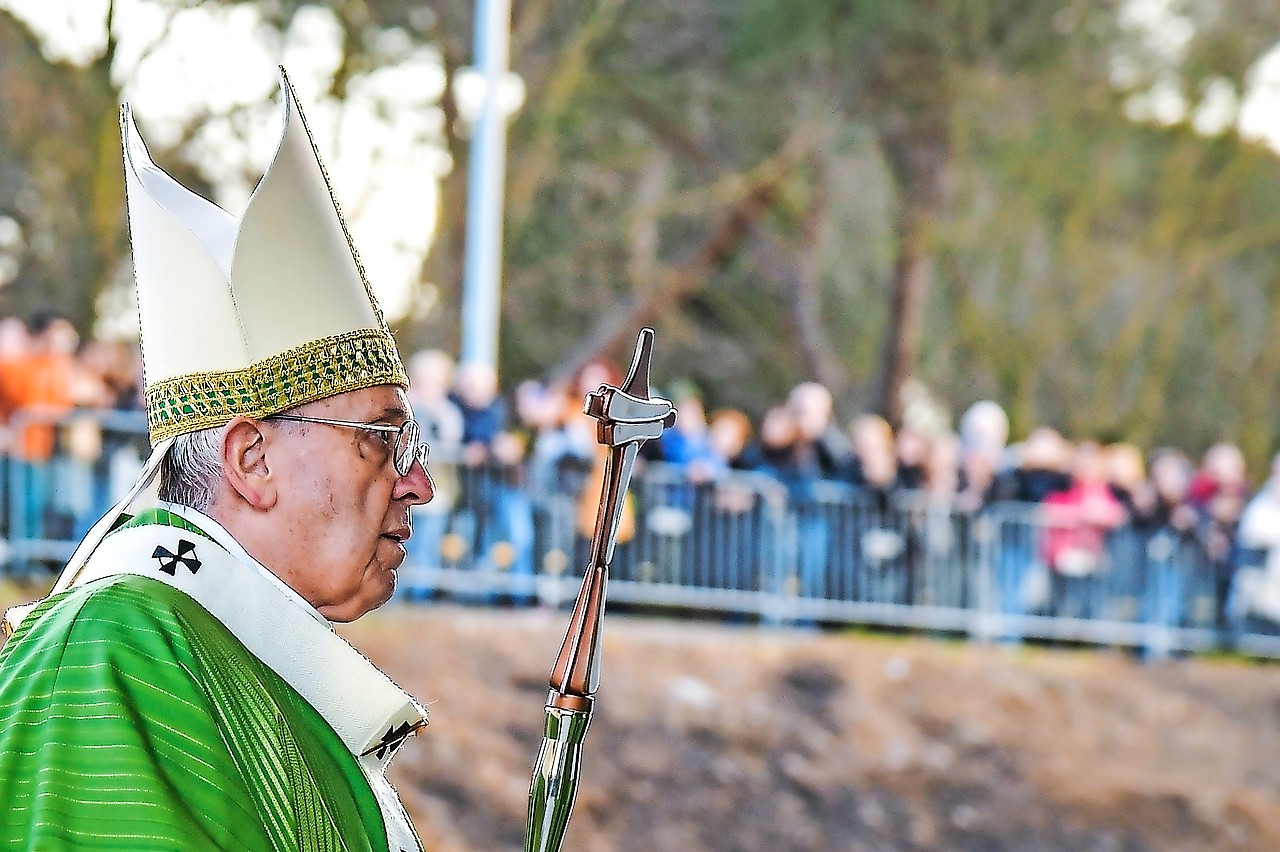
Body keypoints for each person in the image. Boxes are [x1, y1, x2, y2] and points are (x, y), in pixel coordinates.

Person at [0, 70, 434, 850]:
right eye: (382, 438)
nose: (419, 484)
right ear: (253, 457)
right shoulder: (112, 659)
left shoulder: (232, 659)